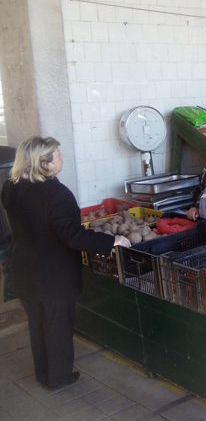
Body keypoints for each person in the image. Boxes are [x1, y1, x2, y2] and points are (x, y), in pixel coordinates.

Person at [1, 136, 131, 389]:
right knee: (57, 326)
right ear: (44, 163)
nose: (62, 158)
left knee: (38, 324)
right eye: (57, 155)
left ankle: (43, 373)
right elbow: (72, 235)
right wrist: (112, 242)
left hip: (24, 268)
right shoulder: (56, 193)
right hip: (52, 274)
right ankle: (59, 378)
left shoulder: (12, 187)